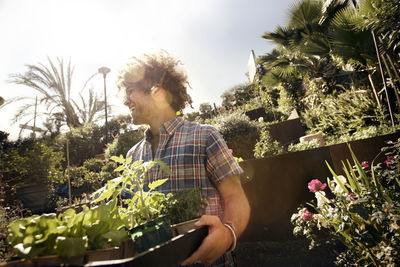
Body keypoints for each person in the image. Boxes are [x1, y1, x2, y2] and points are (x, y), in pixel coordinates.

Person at [116, 51, 250, 267]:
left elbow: (236, 198)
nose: (125, 100)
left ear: (155, 90)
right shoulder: (132, 156)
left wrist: (228, 234)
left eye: (130, 91)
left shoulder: (205, 136)